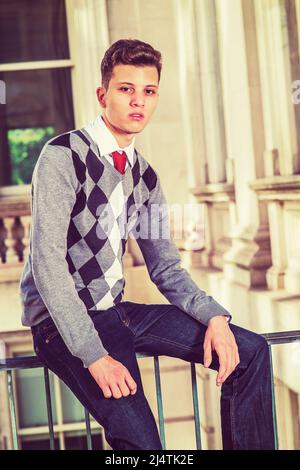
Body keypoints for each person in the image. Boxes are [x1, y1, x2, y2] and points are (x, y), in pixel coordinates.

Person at [19, 39, 275, 450]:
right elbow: (47, 264)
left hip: (117, 312)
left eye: (149, 91)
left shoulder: (146, 178)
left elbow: (166, 268)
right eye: (126, 89)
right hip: (62, 325)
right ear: (103, 96)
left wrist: (214, 317)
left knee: (250, 351)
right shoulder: (62, 157)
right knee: (143, 447)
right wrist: (93, 356)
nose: (138, 102)